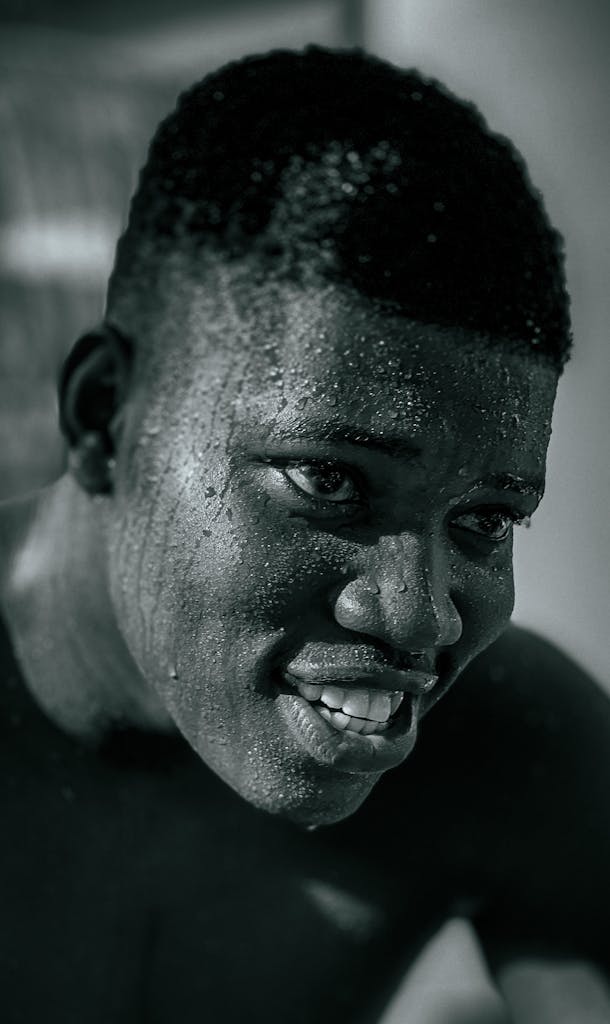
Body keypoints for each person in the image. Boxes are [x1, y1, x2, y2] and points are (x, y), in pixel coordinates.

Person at [1, 46, 608, 1023]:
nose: (419, 616)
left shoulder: (506, 746)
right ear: (105, 414)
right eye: (330, 480)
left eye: (485, 519)